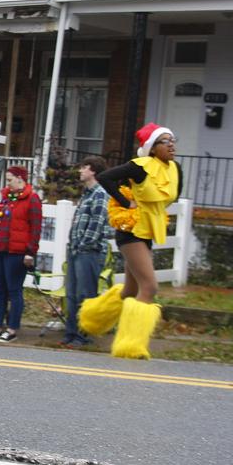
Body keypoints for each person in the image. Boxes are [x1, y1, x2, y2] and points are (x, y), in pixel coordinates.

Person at [85, 123, 182, 359]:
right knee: (150, 287)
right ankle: (130, 345)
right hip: (131, 232)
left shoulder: (175, 168)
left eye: (173, 140)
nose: (171, 145)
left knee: (131, 289)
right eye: (165, 141)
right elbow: (105, 177)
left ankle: (92, 317)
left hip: (147, 231)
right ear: (152, 147)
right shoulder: (139, 167)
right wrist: (125, 201)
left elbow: (172, 196)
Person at [0, 165, 42, 343]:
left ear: (19, 178)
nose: (7, 183)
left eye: (9, 180)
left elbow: (36, 228)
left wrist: (30, 252)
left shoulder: (32, 199)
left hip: (17, 251)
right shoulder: (7, 198)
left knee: (14, 290)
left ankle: (12, 328)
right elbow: (1, 221)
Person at [61, 156, 110, 348]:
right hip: (75, 250)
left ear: (94, 172)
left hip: (89, 252)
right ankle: (70, 333)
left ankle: (83, 335)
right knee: (71, 294)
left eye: (84, 167)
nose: (80, 171)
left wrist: (83, 244)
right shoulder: (86, 194)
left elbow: (96, 225)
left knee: (85, 295)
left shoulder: (100, 194)